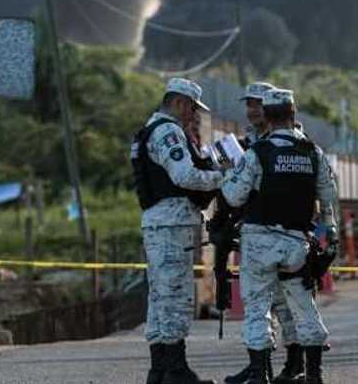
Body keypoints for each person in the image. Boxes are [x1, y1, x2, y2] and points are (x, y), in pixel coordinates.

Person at [221, 88, 339, 384]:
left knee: (258, 310)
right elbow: (329, 199)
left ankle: (260, 375)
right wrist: (327, 237)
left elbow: (234, 197)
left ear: (268, 118)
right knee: (305, 309)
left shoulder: (257, 153)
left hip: (260, 243)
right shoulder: (313, 152)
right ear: (293, 115)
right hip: (297, 245)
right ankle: (314, 375)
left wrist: (227, 173)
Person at [133, 78, 226, 384]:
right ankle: (176, 371)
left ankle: (158, 370)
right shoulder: (169, 132)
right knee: (175, 297)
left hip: (159, 223)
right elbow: (185, 175)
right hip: (172, 224)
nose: (193, 116)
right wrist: (220, 178)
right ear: (179, 103)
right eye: (191, 109)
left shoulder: (148, 130)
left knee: (160, 298)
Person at [223, 82, 306, 384]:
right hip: (256, 228)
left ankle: (295, 363)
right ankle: (260, 366)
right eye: (248, 105)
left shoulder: (294, 140)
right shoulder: (251, 141)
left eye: (257, 104)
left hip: (287, 230)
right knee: (261, 303)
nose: (252, 110)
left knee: (286, 302)